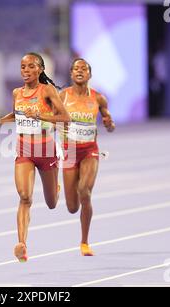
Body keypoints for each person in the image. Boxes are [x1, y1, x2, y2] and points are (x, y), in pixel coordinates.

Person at [0, 52, 70, 262]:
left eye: (31, 66)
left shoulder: (48, 91)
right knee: (25, 197)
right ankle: (22, 243)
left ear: (40, 69)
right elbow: (17, 114)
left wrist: (40, 115)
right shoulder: (17, 93)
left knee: (51, 203)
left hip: (46, 150)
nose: (26, 71)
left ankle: (56, 188)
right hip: (24, 150)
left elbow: (65, 118)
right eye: (23, 67)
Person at [59, 58, 115, 256]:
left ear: (90, 75)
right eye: (76, 68)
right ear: (71, 74)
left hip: (90, 150)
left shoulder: (99, 98)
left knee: (85, 190)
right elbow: (50, 117)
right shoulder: (62, 96)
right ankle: (61, 188)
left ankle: (84, 243)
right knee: (72, 207)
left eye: (84, 68)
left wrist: (109, 124)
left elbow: (110, 123)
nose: (80, 71)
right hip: (69, 152)